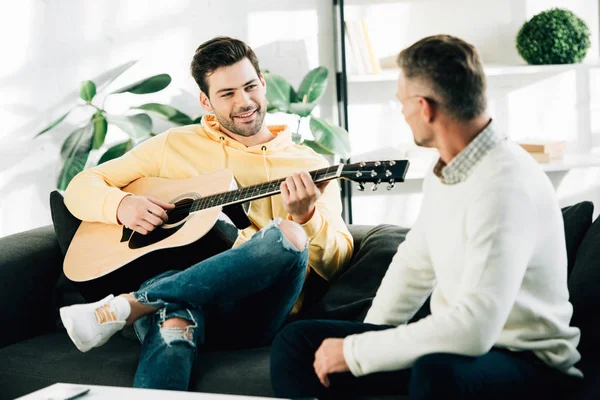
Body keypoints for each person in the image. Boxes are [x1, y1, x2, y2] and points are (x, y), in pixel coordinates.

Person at [270, 34, 582, 400]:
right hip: (460, 344)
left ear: (425, 108)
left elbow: (475, 328)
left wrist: (356, 353)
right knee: (298, 344)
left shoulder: (505, 184)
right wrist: (368, 338)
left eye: (402, 101)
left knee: (436, 373)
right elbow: (414, 267)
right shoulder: (449, 168)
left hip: (527, 362)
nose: (401, 112)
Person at [58, 36, 353, 391]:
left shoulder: (308, 165)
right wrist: (121, 205)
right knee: (173, 324)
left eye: (249, 87)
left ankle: (128, 306)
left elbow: (338, 260)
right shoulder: (175, 145)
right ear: (206, 100)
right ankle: (155, 304)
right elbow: (81, 185)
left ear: (262, 84)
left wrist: (307, 218)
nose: (244, 102)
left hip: (254, 311)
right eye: (227, 94)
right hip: (182, 301)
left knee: (288, 236)